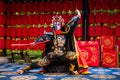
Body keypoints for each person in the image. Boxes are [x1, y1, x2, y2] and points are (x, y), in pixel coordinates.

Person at [17, 10, 89, 75]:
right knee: (39, 63)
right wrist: (35, 42)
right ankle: (23, 70)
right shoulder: (51, 35)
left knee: (74, 56)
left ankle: (72, 70)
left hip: (63, 55)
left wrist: (78, 17)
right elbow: (42, 38)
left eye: (58, 24)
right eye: (55, 24)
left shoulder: (66, 34)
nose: (57, 25)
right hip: (52, 55)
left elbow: (72, 25)